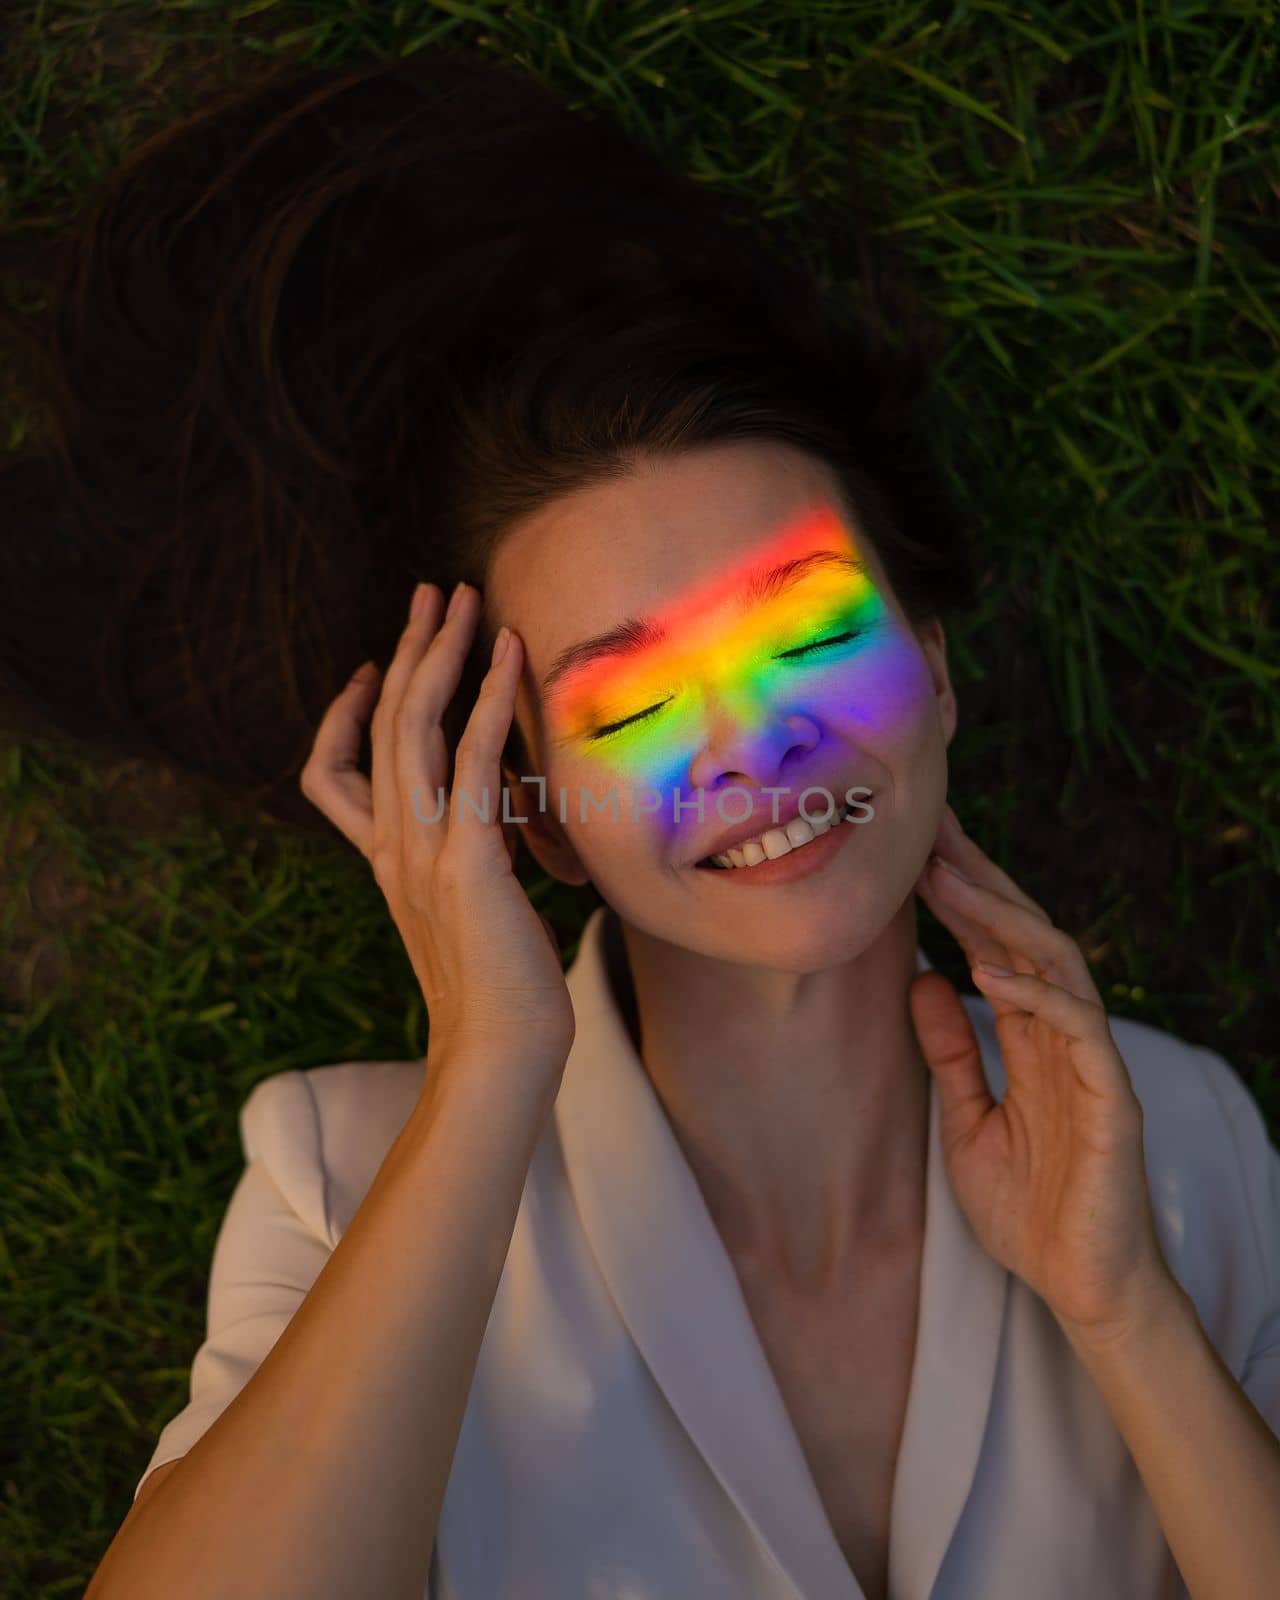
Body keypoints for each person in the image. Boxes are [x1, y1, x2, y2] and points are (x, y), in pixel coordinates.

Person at [2, 47, 1276, 1600]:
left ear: (932, 663)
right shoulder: (340, 1177)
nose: (760, 740)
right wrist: (488, 1074)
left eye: (807, 631)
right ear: (523, 812)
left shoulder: (1181, 1137)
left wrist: (1125, 1307)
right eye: (630, 706)